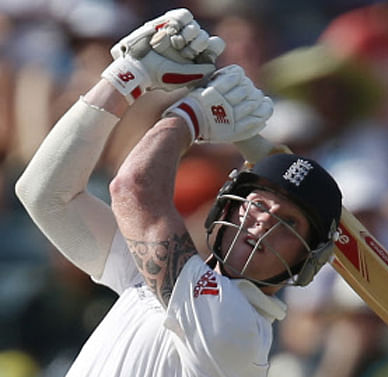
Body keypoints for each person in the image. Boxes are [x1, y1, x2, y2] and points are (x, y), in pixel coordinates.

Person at [15, 8, 343, 377]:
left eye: (288, 222)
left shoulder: (237, 328)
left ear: (304, 261)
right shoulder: (153, 278)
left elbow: (133, 190)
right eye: (258, 203)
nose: (264, 220)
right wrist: (125, 77)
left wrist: (193, 114)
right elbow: (45, 194)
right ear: (227, 209)